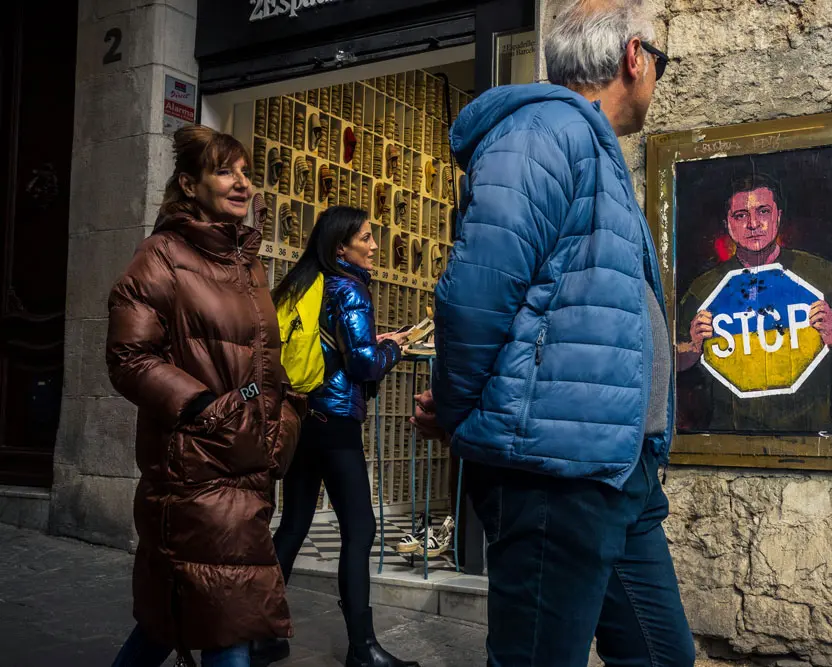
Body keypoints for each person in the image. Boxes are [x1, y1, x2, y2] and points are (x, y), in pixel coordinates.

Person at [411, 1, 696, 665]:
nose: (658, 76)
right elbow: (474, 294)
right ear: (634, 58)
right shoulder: (544, 132)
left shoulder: (590, 148)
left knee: (661, 655)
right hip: (553, 474)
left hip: (619, 469)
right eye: (661, 61)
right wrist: (457, 414)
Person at [105, 125, 306, 667]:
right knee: (222, 629)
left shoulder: (246, 261)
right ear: (189, 184)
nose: (242, 183)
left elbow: (260, 360)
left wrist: (282, 419)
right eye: (225, 171)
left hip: (243, 466)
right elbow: (129, 357)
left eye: (245, 171)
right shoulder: (162, 257)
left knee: (180, 620)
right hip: (195, 471)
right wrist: (206, 410)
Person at [257, 206, 417, 667]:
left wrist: (375, 343)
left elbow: (333, 346)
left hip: (302, 415)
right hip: (335, 421)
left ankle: (258, 632)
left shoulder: (305, 281)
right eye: (365, 238)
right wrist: (395, 346)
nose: (373, 245)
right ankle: (363, 650)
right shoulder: (349, 286)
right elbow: (363, 364)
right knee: (361, 529)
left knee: (292, 524)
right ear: (340, 247)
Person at [675, 173, 832, 433]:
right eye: (741, 215)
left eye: (763, 211)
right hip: (729, 435)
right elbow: (665, 364)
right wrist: (693, 347)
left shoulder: (822, 275)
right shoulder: (704, 289)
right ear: (728, 224)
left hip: (812, 436)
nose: (753, 223)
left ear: (778, 216)